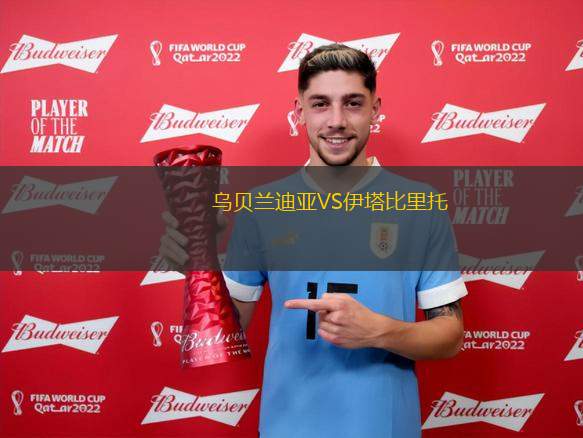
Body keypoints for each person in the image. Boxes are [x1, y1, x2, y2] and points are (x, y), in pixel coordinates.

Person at [159, 43, 467, 438]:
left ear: (375, 109)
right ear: (299, 111)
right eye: (320, 104)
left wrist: (379, 331)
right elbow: (227, 334)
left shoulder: (420, 205)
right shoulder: (262, 207)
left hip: (384, 427)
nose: (337, 121)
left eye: (353, 103)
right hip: (288, 426)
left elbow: (450, 336)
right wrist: (199, 268)